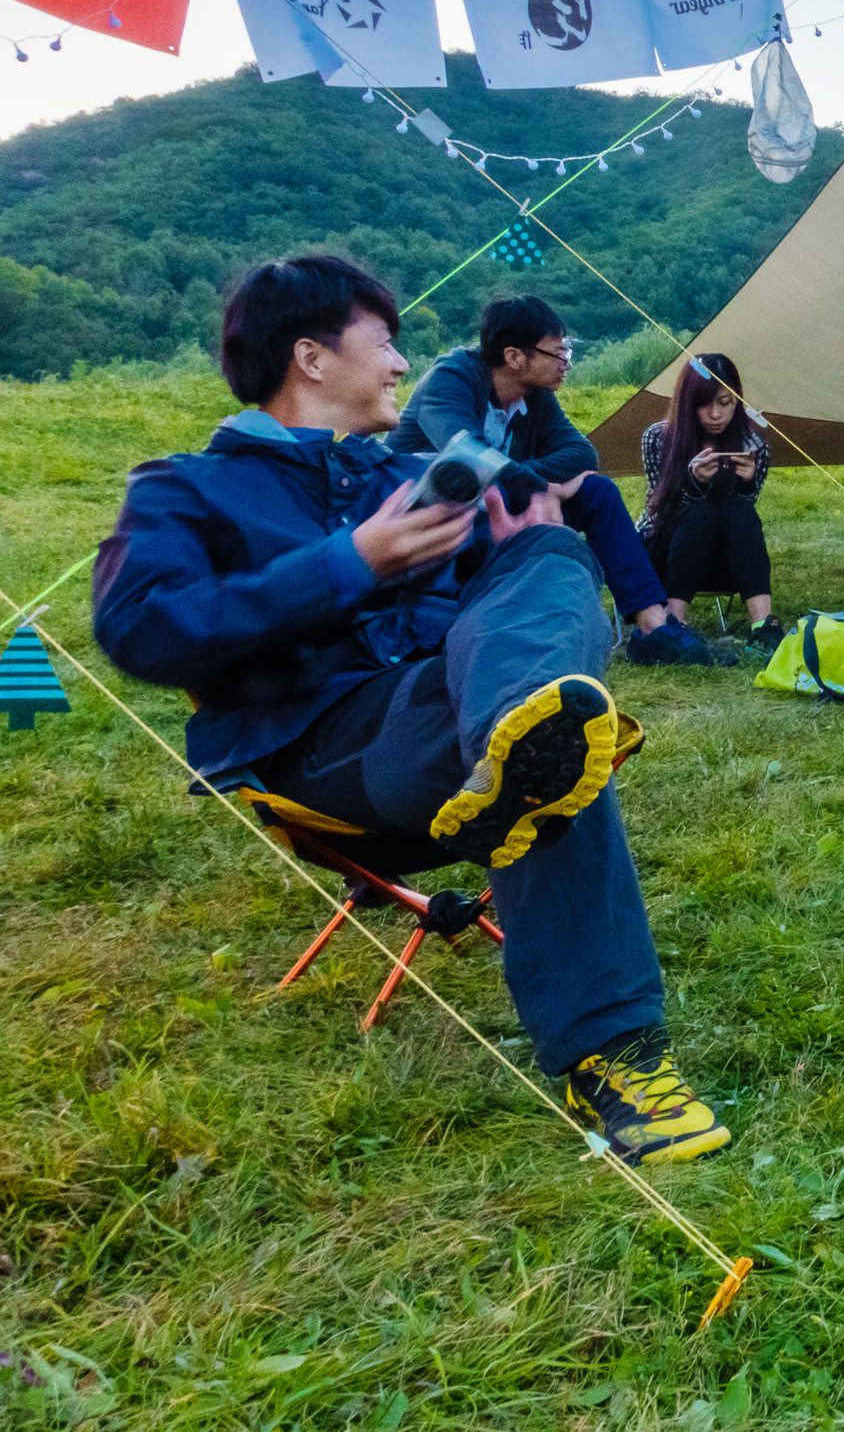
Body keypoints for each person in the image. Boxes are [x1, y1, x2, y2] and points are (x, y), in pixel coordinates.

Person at [93, 256, 731, 1164]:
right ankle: (607, 1039)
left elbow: (533, 553)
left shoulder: (409, 473)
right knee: (539, 735)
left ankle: (526, 758)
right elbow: (140, 627)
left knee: (549, 580)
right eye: (384, 343)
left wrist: (522, 535)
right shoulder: (186, 488)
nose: (401, 364)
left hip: (446, 728)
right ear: (311, 358)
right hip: (322, 755)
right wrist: (354, 561)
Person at [388, 296, 714, 665]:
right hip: (433, 510)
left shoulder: (536, 395)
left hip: (497, 502)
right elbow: (466, 458)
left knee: (596, 491)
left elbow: (582, 454)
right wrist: (544, 487)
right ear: (514, 356)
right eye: (558, 353)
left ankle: (653, 626)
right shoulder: (453, 377)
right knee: (517, 489)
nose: (566, 364)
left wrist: (528, 481)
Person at [638, 354, 779, 651]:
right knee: (698, 511)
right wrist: (692, 484)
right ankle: (673, 623)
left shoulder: (753, 446)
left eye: (725, 404)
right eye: (705, 404)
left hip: (724, 559)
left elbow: (744, 519)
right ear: (687, 404)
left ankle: (763, 624)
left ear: (737, 402)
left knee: (739, 508)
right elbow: (659, 511)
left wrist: (746, 484)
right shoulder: (658, 438)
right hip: (667, 551)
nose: (715, 414)